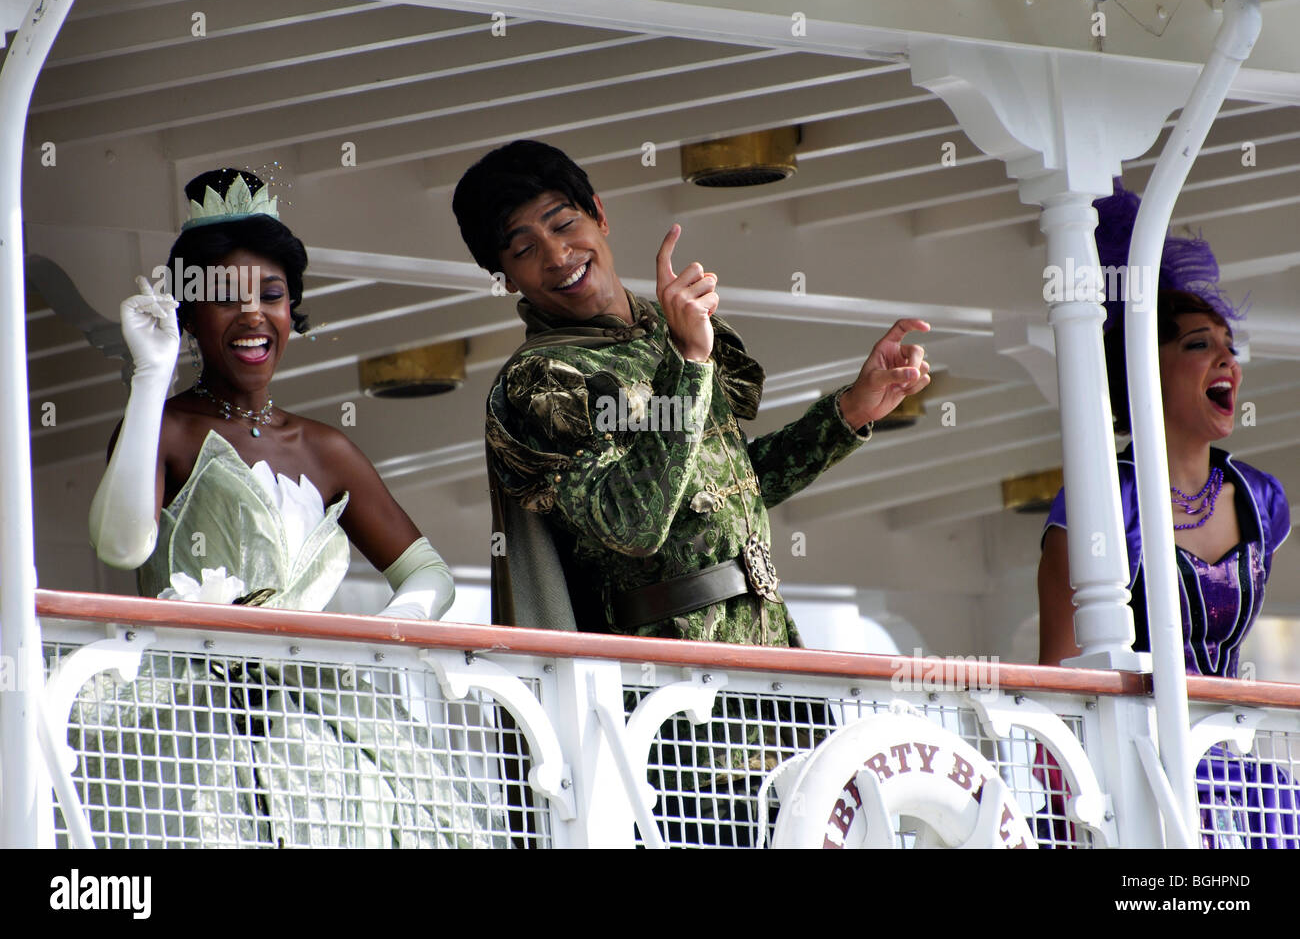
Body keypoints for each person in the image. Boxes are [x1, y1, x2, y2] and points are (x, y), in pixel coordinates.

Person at [77, 169, 506, 848]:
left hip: (321, 715)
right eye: (225, 299)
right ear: (189, 315)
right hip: (190, 714)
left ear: (291, 312)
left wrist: (388, 628)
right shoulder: (168, 427)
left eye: (271, 295)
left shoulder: (324, 446)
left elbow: (430, 573)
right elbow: (121, 546)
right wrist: (151, 374)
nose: (252, 314)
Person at [452, 139, 931, 645]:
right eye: (525, 249)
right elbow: (633, 522)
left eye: (564, 224)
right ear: (504, 278)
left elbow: (716, 491)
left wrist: (850, 412)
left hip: (768, 650)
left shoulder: (669, 329)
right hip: (667, 677)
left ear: (598, 215)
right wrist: (687, 363)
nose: (557, 255)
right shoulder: (543, 379)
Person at [1037, 181, 1294, 848]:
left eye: (1230, 348)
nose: (1227, 362)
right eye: (1198, 345)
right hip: (1138, 783)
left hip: (1242, 785)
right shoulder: (1100, 501)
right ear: (1142, 368)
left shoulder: (1263, 500)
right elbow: (1060, 675)